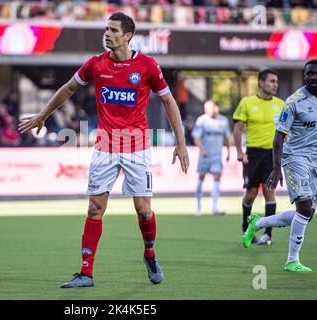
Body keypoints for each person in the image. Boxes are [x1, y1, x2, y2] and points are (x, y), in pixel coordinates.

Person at [19, 12, 189, 288]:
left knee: (144, 211)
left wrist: (181, 143)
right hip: (105, 147)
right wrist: (42, 115)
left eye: (112, 30)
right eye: (106, 29)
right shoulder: (96, 64)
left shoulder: (147, 66)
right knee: (95, 208)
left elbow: (170, 103)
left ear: (127, 36)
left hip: (137, 147)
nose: (107, 34)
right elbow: (68, 89)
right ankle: (86, 273)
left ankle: (149, 253)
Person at [243, 59, 317, 272]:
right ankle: (292, 260)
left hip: (314, 160)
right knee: (303, 209)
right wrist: (276, 169)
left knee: (307, 214)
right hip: (294, 157)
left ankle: (257, 224)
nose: (313, 77)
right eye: (309, 74)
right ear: (304, 76)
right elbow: (278, 137)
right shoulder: (293, 102)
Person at [233, 69, 284, 245]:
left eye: (276, 81)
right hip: (253, 154)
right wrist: (240, 152)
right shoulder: (247, 102)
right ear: (261, 83)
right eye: (271, 81)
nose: (275, 84)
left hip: (272, 154)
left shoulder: (281, 104)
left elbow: (286, 132)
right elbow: (238, 128)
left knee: (270, 192)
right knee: (251, 194)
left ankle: (268, 234)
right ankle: (246, 227)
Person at [192, 100, 231, 216]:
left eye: (209, 107)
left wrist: (228, 152)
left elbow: (227, 137)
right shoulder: (202, 120)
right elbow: (196, 137)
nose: (207, 110)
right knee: (200, 179)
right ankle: (198, 206)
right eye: (206, 108)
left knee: (217, 178)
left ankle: (214, 207)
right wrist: (202, 150)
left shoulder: (223, 121)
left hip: (217, 156)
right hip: (205, 155)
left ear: (216, 108)